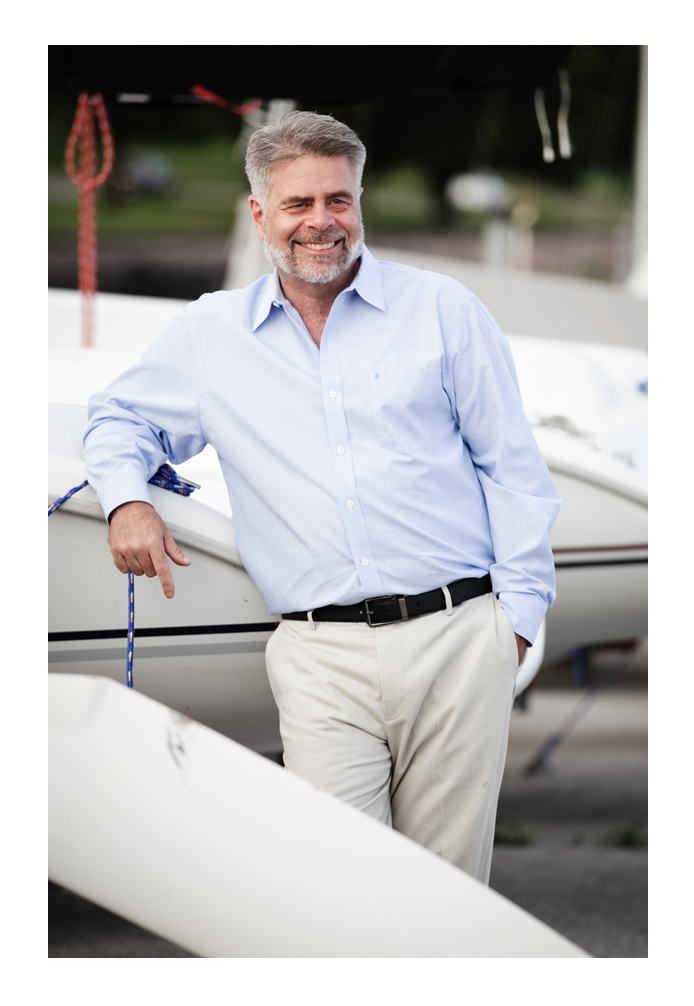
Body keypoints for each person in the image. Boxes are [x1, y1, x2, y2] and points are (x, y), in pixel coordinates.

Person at [84, 111, 561, 884]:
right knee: (336, 886)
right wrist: (126, 501)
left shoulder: (442, 309)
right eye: (299, 204)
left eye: (338, 200)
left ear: (360, 199)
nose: (321, 222)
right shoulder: (211, 332)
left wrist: (514, 626)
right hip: (318, 654)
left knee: (448, 895)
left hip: (459, 635)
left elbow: (513, 470)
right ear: (260, 214)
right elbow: (119, 419)